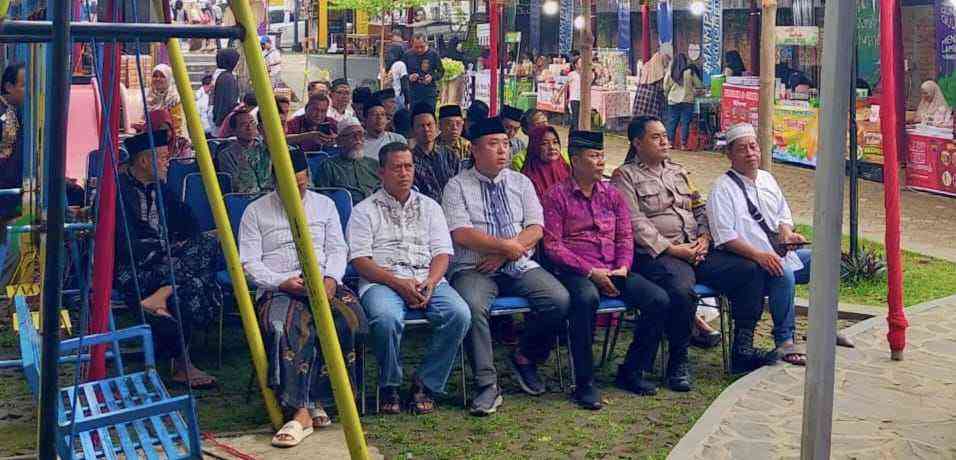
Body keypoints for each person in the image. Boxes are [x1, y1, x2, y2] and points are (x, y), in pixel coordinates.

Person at [611, 116, 775, 390]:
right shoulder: (625, 176)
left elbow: (700, 208)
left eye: (665, 135)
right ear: (637, 143)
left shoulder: (679, 171)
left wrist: (704, 238)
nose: (665, 141)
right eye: (656, 137)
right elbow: (634, 222)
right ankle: (678, 359)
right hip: (660, 255)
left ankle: (742, 348)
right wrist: (674, 249)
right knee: (681, 290)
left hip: (696, 249)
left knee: (749, 268)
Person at [443, 117, 571, 416]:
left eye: (504, 144)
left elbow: (536, 227)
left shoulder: (520, 182)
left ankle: (525, 356)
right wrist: (505, 247)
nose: (502, 150)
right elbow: (460, 233)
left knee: (559, 300)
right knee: (472, 307)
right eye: (493, 144)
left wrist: (505, 253)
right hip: (474, 267)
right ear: (474, 149)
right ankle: (487, 384)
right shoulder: (457, 186)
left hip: (517, 264)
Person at [239, 149, 366, 447]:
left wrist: (331, 279)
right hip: (280, 286)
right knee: (285, 327)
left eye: (301, 184)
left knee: (351, 321)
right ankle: (300, 412)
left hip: (323, 282)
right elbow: (249, 263)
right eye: (288, 185)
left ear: (308, 178)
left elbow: (337, 248)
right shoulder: (255, 211)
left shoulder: (325, 206)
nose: (296, 191)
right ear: (274, 181)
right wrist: (281, 281)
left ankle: (320, 399)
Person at [706, 124, 853, 367]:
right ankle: (784, 340)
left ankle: (822, 329)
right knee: (782, 272)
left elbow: (783, 217)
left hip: (778, 253)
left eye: (753, 147)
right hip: (751, 261)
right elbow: (725, 237)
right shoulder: (722, 189)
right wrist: (760, 256)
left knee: (825, 261)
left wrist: (787, 235)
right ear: (729, 155)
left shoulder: (767, 179)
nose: (751, 153)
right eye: (742, 149)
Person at [543, 130, 670, 409]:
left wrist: (624, 267)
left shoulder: (612, 195)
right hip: (576, 272)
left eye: (602, 156)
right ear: (575, 160)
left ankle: (632, 370)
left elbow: (625, 236)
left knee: (658, 300)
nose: (601, 162)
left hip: (615, 269)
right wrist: (591, 272)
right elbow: (553, 246)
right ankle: (584, 382)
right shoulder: (556, 196)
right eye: (593, 156)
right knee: (585, 300)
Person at [347, 142, 471, 415]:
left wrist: (431, 281)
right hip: (383, 281)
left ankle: (425, 382)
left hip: (427, 278)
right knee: (385, 318)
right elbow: (359, 261)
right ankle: (390, 382)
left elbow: (442, 253)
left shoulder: (430, 207)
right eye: (396, 167)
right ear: (381, 172)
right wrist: (398, 284)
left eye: (408, 166)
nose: (404, 173)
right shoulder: (364, 210)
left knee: (459, 313)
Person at [114, 130, 221, 389]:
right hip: (134, 268)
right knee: (193, 285)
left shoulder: (161, 188)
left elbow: (188, 223)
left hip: (166, 264)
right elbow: (127, 243)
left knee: (210, 241)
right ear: (143, 161)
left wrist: (182, 244)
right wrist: (169, 252)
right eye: (162, 158)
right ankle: (182, 365)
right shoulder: (118, 192)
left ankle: (163, 293)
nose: (168, 162)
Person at [314, 118, 380, 203]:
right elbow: (324, 198)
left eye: (361, 134)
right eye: (352, 135)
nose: (358, 139)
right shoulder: (328, 166)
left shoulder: (374, 164)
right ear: (339, 141)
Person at [410, 102, 460, 203]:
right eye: (421, 126)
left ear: (436, 126)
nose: (426, 129)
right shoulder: (409, 159)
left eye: (429, 125)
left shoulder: (450, 155)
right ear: (413, 130)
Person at [217, 109, 273, 193]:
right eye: (243, 124)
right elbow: (239, 186)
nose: (249, 128)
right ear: (234, 130)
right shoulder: (227, 155)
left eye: (252, 123)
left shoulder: (266, 146)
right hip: (246, 198)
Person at [0, 63, 25, 241]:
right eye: (24, 86)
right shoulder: (5, 114)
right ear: (9, 87)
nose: (28, 91)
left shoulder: (14, 111)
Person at [664, 54, 704, 150]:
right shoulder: (689, 72)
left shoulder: (670, 72)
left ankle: (670, 142)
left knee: (672, 122)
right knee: (685, 122)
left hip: (673, 100)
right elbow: (699, 85)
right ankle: (683, 144)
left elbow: (665, 87)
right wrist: (694, 90)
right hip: (687, 100)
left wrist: (667, 95)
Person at [521, 124, 570, 199]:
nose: (552, 147)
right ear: (535, 147)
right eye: (544, 143)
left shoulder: (566, 169)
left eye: (555, 142)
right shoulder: (527, 179)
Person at [402, 34, 445, 107]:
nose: (419, 50)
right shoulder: (407, 55)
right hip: (414, 94)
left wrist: (432, 77)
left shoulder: (433, 54)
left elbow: (441, 71)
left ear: (426, 43)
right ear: (412, 45)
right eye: (416, 47)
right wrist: (409, 77)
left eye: (422, 47)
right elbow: (402, 74)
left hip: (429, 93)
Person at [145, 64, 185, 135]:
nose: (158, 79)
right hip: (151, 137)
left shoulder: (174, 98)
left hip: (169, 138)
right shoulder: (149, 97)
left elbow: (176, 125)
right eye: (155, 76)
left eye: (162, 76)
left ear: (168, 78)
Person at [632, 52, 670, 121]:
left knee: (639, 120)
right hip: (652, 100)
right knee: (651, 122)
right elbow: (661, 90)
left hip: (640, 96)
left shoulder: (646, 66)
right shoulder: (659, 72)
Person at [212, 48, 241, 129]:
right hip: (225, 123)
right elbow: (229, 103)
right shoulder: (228, 78)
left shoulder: (222, 75)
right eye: (237, 61)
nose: (238, 64)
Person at [567, 57, 583, 129]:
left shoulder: (585, 74)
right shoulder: (572, 74)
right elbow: (565, 86)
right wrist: (558, 96)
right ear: (576, 65)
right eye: (580, 62)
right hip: (574, 99)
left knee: (580, 118)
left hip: (582, 99)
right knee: (575, 118)